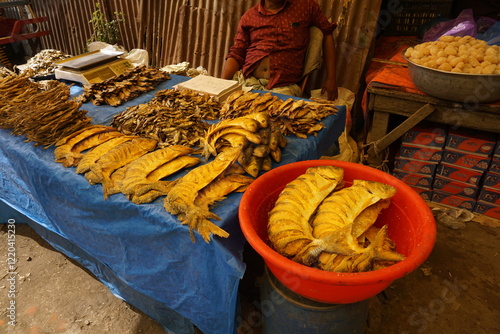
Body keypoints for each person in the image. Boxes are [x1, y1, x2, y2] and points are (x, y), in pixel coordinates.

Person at [221, 0, 339, 100]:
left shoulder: (305, 7)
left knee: (273, 123)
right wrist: (221, 84)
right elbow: (237, 52)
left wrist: (331, 78)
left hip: (283, 86)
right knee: (226, 116)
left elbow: (327, 33)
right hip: (248, 81)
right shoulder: (249, 17)